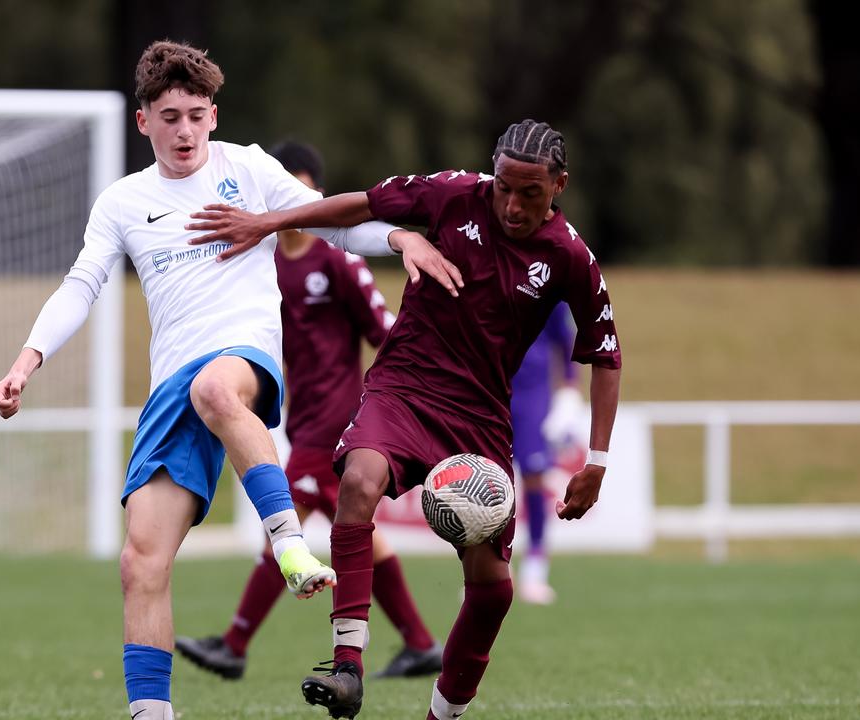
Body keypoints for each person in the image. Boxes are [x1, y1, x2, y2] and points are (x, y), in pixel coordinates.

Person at [0, 41, 462, 720]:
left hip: (243, 357)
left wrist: (401, 240)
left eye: (195, 115)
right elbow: (81, 284)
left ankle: (292, 548)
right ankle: (152, 715)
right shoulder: (122, 202)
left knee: (216, 389)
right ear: (143, 122)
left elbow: (331, 221)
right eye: (169, 116)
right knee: (140, 563)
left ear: (214, 115)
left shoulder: (248, 167)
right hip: (170, 388)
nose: (184, 130)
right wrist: (25, 361)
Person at [186, 119, 623, 719]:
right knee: (359, 484)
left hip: (480, 416)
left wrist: (597, 460)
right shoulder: (451, 193)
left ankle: (441, 714)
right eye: (504, 187)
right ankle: (347, 668)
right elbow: (354, 208)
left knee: (493, 589)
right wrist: (268, 222)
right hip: (404, 387)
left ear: (560, 187)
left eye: (532, 194)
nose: (513, 206)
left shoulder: (570, 255)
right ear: (491, 172)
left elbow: (606, 354)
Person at [175, 141, 443, 682]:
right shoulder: (265, 263)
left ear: (315, 196)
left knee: (285, 527)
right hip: (301, 419)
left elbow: (381, 328)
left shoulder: (337, 260)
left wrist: (407, 393)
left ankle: (234, 644)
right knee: (354, 533)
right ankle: (419, 642)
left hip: (340, 422)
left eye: (300, 192)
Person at [511, 301, 579, 605]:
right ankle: (489, 572)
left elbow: (564, 340)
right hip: (489, 387)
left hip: (533, 393)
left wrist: (570, 389)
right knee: (485, 478)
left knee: (534, 476)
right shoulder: (484, 268)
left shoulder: (548, 275)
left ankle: (535, 570)